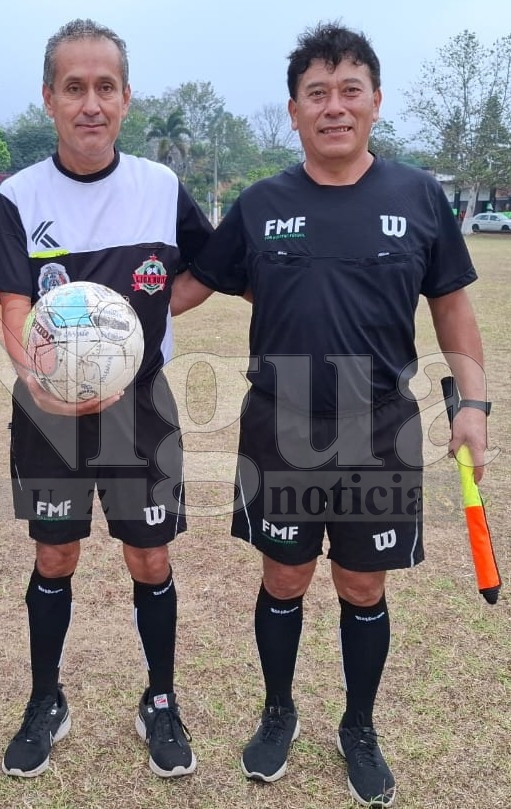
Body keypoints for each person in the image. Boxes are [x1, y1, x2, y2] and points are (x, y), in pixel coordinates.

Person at [172, 22, 488, 807]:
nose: (333, 107)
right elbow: (188, 286)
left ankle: (358, 725)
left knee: (361, 583)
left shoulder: (417, 197)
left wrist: (474, 404)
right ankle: (277, 711)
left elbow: (451, 306)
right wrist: (96, 306)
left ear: (375, 102)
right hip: (278, 425)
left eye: (349, 90)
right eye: (317, 93)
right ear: (293, 111)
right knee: (283, 573)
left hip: (378, 427)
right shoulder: (261, 204)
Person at [0, 18, 213, 779]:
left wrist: (136, 332)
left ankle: (160, 699)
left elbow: (206, 270)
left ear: (125, 98)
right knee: (55, 552)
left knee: (150, 553)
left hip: (139, 409)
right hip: (49, 411)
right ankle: (45, 699)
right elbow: (12, 301)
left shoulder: (161, 188)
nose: (90, 103)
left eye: (104, 87)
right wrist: (41, 375)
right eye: (73, 87)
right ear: (49, 98)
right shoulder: (19, 197)